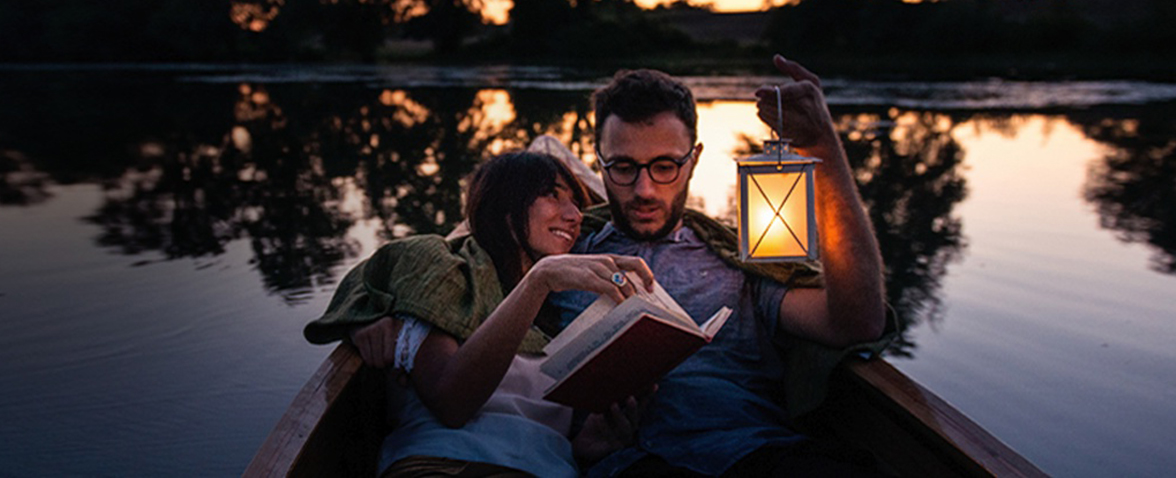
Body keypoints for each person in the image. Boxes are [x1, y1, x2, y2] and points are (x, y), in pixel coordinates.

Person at [348, 56, 895, 478]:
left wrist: (822, 146)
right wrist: (393, 317)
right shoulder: (559, 252)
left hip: (760, 453)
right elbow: (452, 270)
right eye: (623, 167)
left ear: (694, 160)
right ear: (598, 157)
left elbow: (857, 321)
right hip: (629, 464)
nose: (643, 190)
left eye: (664, 166)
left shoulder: (737, 259)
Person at [304, 151, 658, 477]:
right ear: (505, 208)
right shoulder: (448, 273)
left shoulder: (563, 307)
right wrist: (538, 281)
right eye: (553, 194)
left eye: (576, 202)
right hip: (443, 466)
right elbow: (452, 402)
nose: (574, 214)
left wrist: (584, 447)